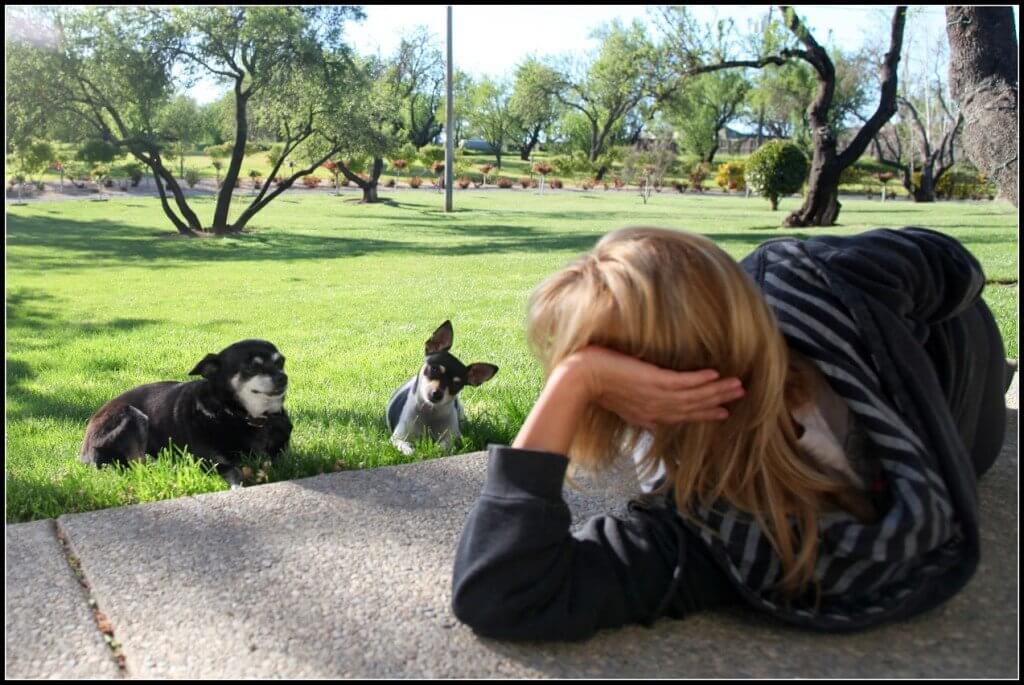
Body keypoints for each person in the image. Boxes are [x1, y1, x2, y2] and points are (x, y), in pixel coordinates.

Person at [451, 226, 1012, 640]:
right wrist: (573, 383)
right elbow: (502, 591)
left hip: (964, 358)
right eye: (600, 377)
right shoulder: (703, 529)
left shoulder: (819, 281)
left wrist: (906, 339)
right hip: (970, 447)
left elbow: (950, 261)